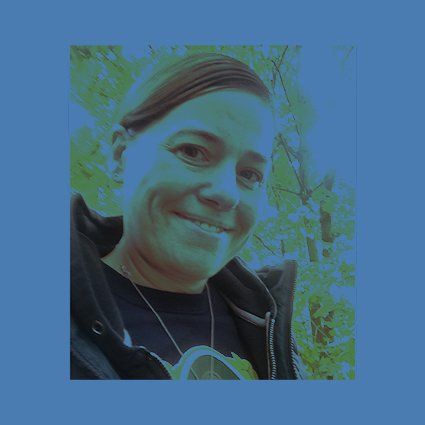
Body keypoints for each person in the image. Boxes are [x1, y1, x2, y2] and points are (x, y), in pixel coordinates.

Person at [71, 52, 305, 380]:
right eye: (192, 151)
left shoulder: (267, 327)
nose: (226, 193)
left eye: (249, 174)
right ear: (121, 155)